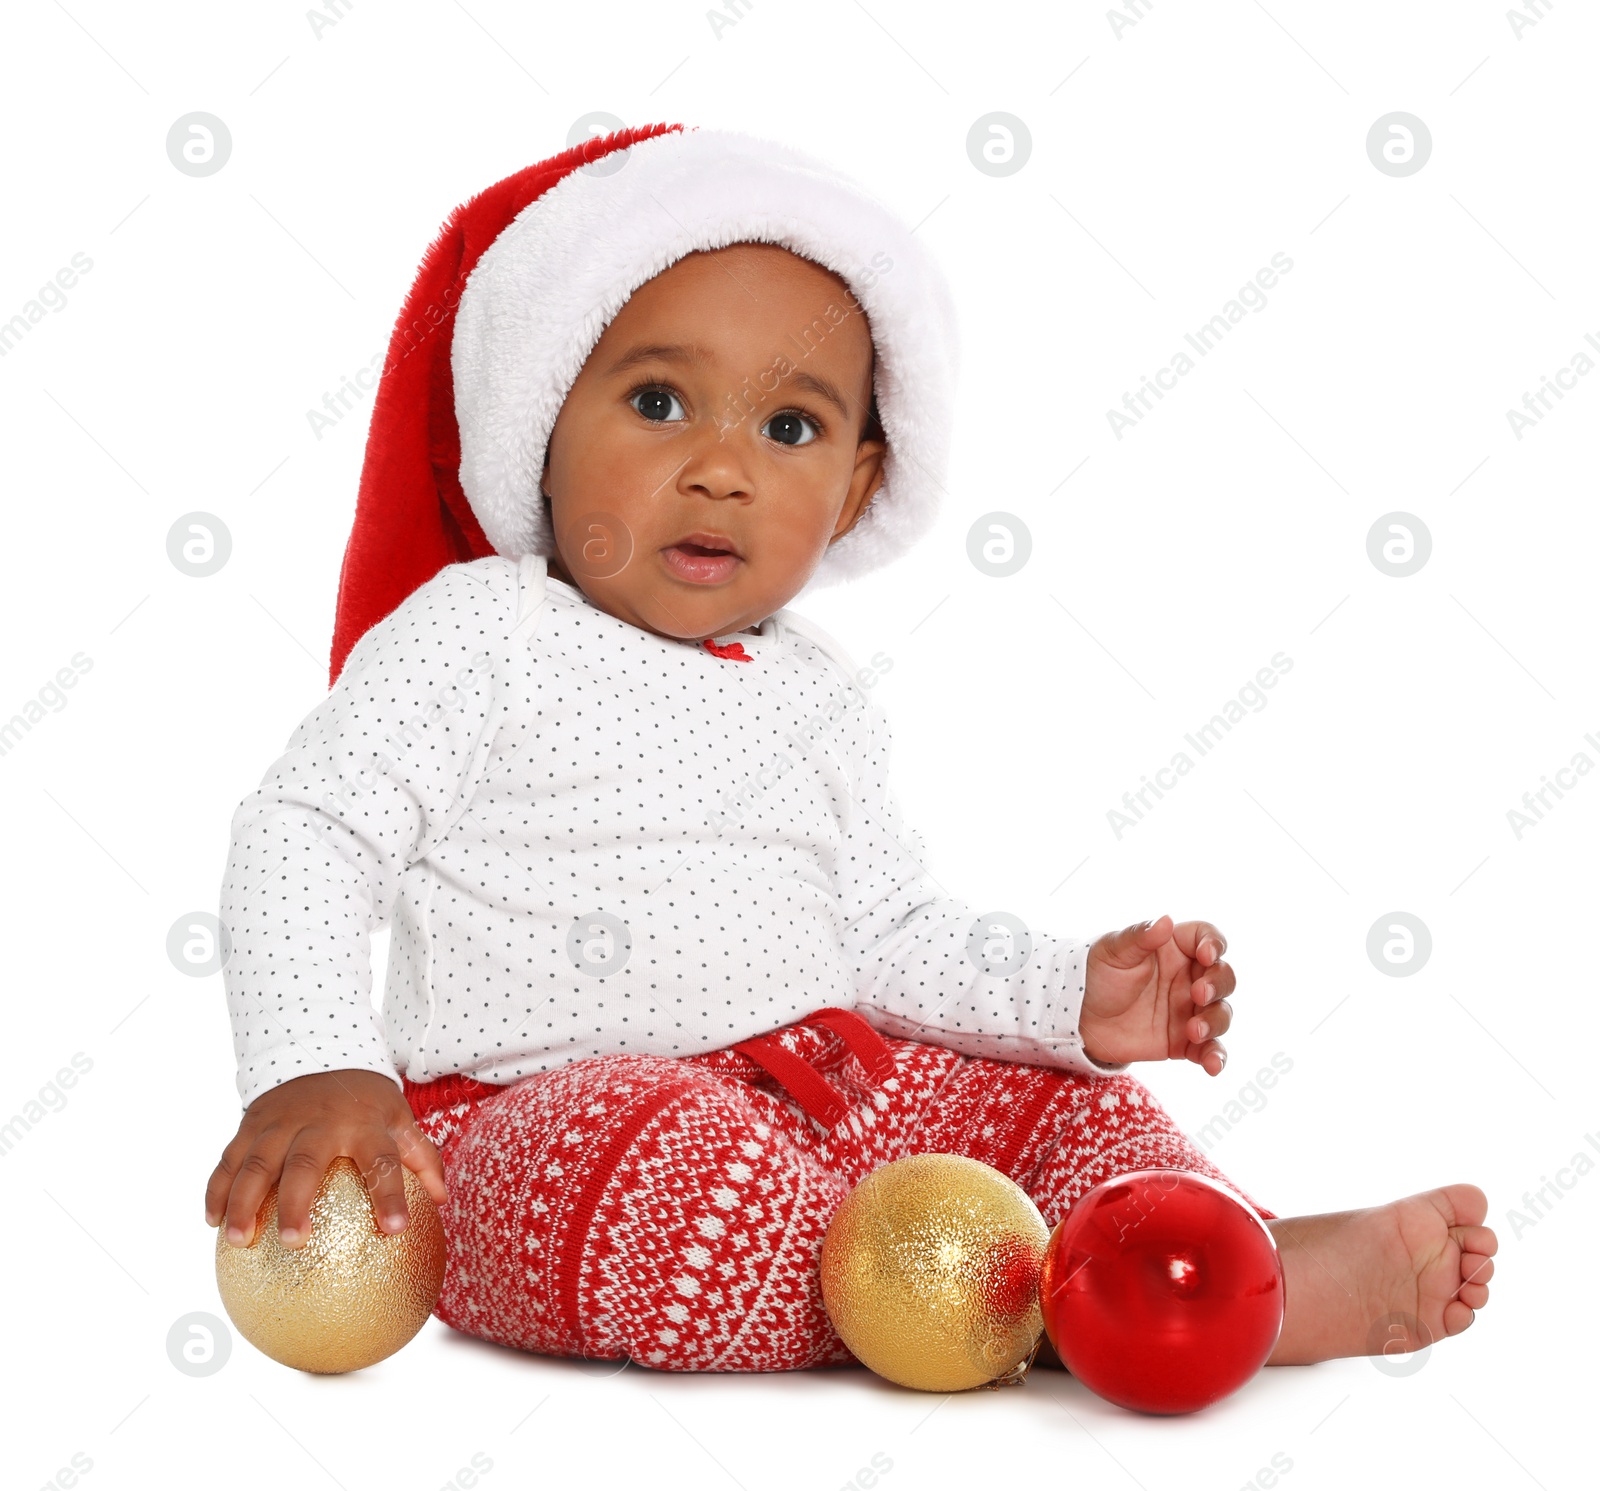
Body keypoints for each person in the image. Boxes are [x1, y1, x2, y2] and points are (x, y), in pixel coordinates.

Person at [204, 122, 1495, 1376]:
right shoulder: (484, 633)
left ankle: (1222, 1269)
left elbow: (880, 932)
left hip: (825, 1091)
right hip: (524, 1121)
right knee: (653, 1167)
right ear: (542, 429)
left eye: (791, 430)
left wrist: (1065, 1002)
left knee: (1061, 1103)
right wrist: (319, 1069)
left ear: (860, 488)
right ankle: (1034, 1305)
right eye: (659, 403)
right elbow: (309, 832)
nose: (721, 470)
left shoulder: (817, 694)